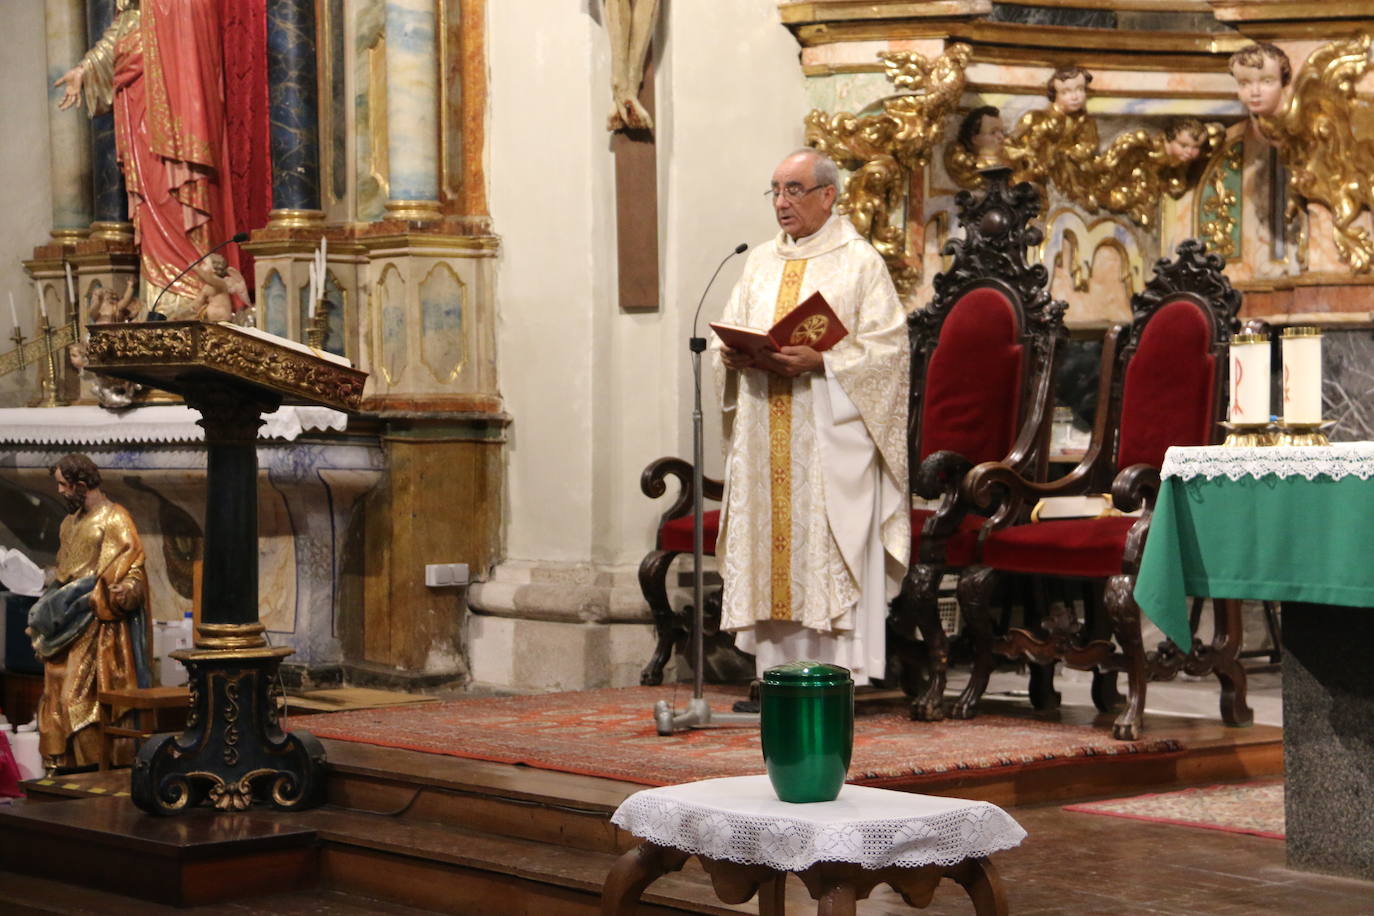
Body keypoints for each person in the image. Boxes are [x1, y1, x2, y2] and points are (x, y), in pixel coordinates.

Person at [711, 149, 909, 684]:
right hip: (763, 430)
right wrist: (727, 354)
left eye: (793, 190)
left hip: (829, 438)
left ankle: (835, 676)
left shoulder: (859, 261)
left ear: (828, 195)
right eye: (775, 190)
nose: (781, 202)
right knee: (772, 557)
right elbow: (728, 328)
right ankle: (776, 677)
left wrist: (824, 360)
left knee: (823, 552)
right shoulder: (758, 262)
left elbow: (890, 352)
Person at [54, 0, 240, 316]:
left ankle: (191, 291)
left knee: (175, 198)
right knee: (151, 199)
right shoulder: (139, 11)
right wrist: (85, 69)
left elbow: (172, 39)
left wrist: (138, 50)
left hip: (177, 116)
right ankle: (161, 294)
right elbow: (123, 29)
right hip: (140, 114)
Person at [26, 454, 151, 771]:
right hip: (65, 623)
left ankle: (94, 771)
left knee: (78, 700)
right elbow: (65, 573)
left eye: (63, 485)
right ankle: (62, 768)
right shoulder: (69, 523)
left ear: (81, 486)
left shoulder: (115, 519)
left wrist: (125, 590)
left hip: (97, 625)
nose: (59, 491)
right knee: (54, 698)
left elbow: (133, 570)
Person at [1005, 64, 1101, 206]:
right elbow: (1009, 143)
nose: (1075, 97)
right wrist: (1026, 154)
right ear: (1054, 94)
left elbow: (1089, 145)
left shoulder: (1085, 122)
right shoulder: (1035, 118)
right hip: (1034, 180)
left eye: (1080, 89)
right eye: (1066, 92)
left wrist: (1067, 154)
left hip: (1071, 179)